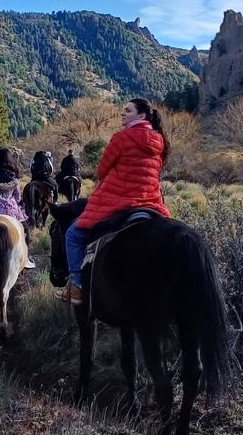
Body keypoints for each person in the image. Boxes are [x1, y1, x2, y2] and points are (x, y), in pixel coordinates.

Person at [59, 98, 170, 305]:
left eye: (127, 111)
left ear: (142, 115)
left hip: (120, 200)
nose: (123, 114)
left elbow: (102, 170)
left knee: (73, 235)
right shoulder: (159, 141)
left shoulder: (121, 137)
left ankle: (77, 286)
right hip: (150, 201)